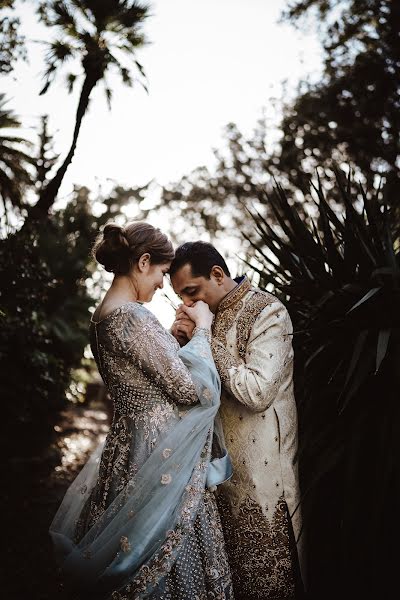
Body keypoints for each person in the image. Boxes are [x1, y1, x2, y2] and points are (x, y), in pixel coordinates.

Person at [49, 223, 233, 600]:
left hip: (126, 448)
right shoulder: (133, 316)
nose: (163, 285)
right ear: (143, 262)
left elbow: (145, 370)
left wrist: (173, 339)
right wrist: (202, 331)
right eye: (163, 274)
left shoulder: (100, 319)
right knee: (166, 552)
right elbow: (187, 389)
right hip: (160, 456)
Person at [170, 241, 303, 600]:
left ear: (217, 274)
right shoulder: (204, 319)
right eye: (181, 297)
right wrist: (180, 345)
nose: (187, 304)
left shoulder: (268, 311)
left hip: (262, 485)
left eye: (192, 293)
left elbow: (257, 392)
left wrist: (204, 337)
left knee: (267, 586)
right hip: (213, 484)